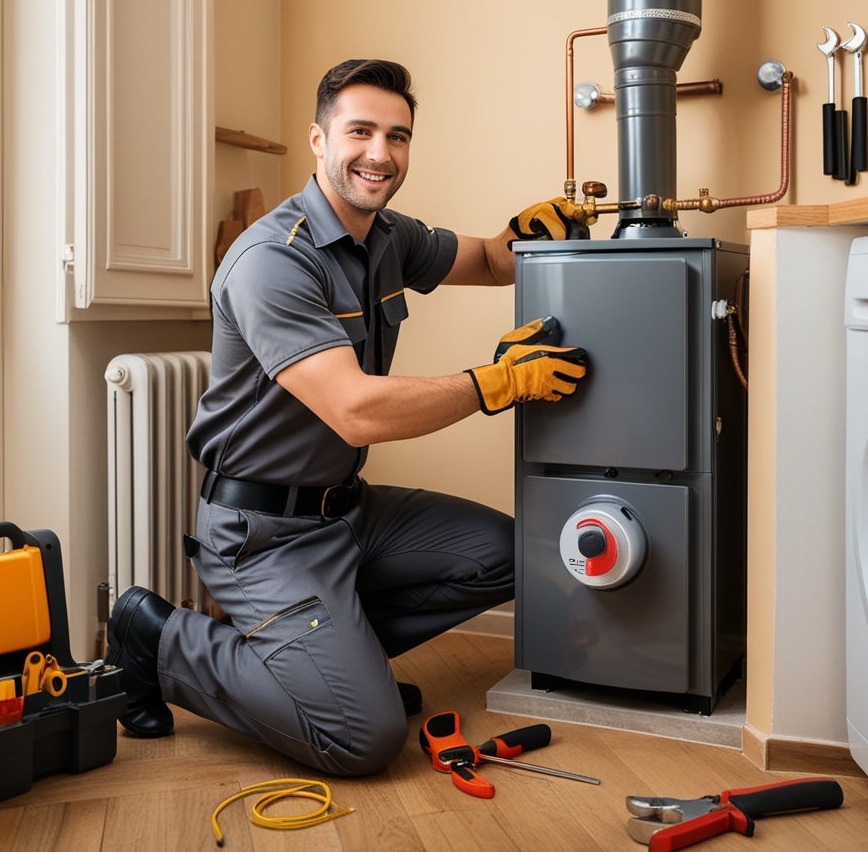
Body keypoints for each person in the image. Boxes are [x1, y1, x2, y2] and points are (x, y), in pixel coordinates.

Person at [106, 58, 590, 776]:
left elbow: (487, 259)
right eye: (360, 131)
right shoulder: (274, 259)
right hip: (263, 536)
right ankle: (160, 638)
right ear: (318, 139)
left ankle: (332, 661)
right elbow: (355, 411)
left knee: (504, 553)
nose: (380, 153)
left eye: (398, 137)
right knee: (366, 738)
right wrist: (496, 383)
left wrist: (527, 235)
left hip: (346, 515)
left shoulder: (388, 237)